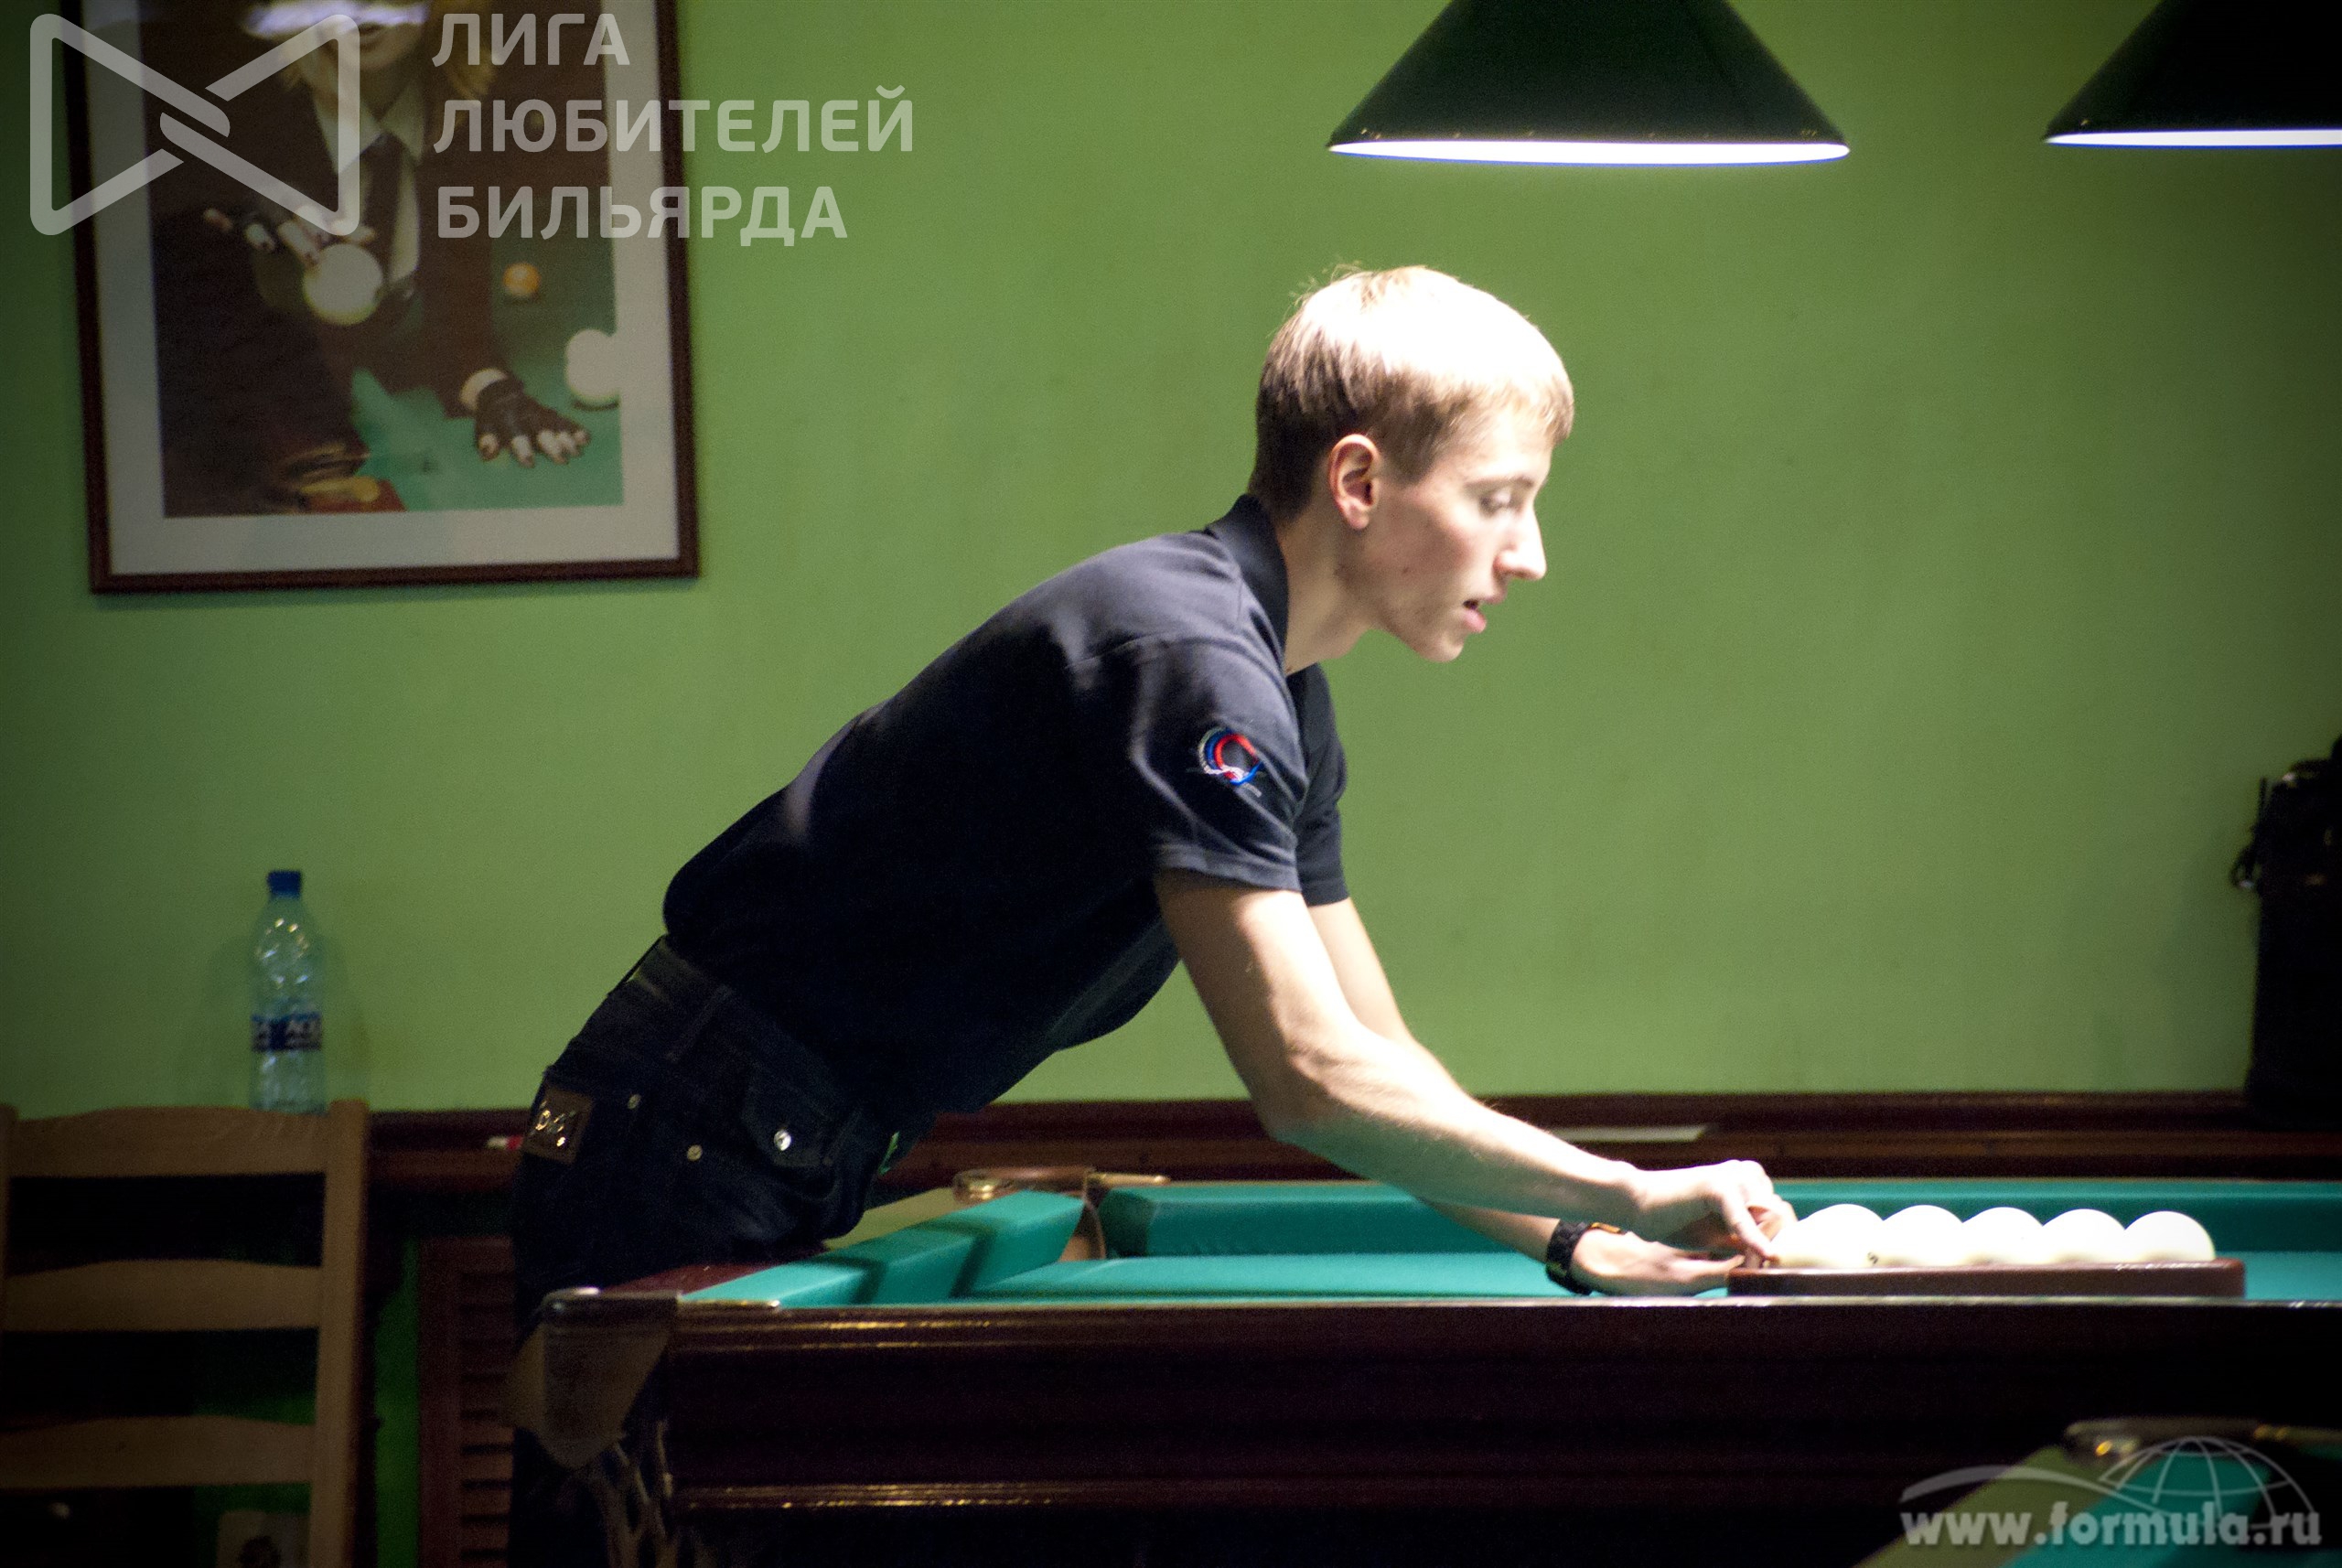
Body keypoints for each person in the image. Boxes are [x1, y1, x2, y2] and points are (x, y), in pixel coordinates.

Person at [506, 265, 1789, 1562]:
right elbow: (1309, 1081)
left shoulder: (1282, 697)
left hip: (754, 1128)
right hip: (679, 1130)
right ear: (1357, 482)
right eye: (1499, 499)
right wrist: (1630, 1189)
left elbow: (1373, 1047)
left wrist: (1575, 1237)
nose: (1530, 553)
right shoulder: (1194, 666)